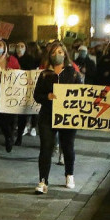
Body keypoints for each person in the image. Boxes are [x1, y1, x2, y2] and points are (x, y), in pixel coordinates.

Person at [32, 43, 84, 194]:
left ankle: (69, 174)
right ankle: (43, 180)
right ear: (50, 55)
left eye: (60, 52)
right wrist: (47, 96)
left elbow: (82, 94)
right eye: (54, 52)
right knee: (46, 147)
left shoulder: (73, 74)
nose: (57, 54)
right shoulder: (44, 74)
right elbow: (37, 95)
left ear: (65, 54)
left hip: (67, 116)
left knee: (68, 146)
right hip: (47, 116)